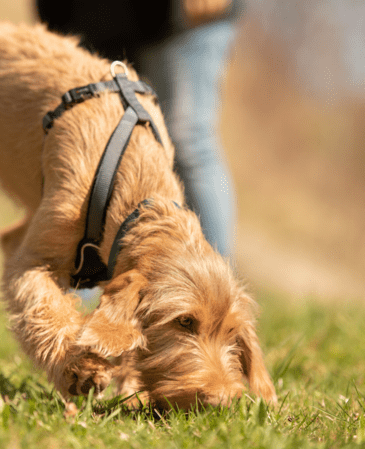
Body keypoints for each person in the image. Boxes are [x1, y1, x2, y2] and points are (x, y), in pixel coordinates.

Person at [35, 0, 239, 260]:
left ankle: (214, 289)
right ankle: (74, 291)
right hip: (94, 19)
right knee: (88, 148)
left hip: (182, 20)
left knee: (188, 138)